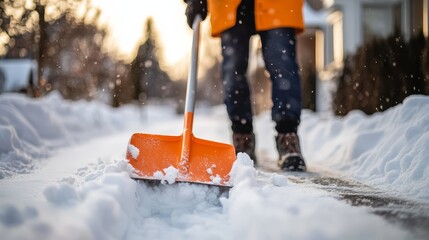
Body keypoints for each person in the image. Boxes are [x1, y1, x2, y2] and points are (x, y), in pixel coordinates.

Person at [184, 0, 306, 171]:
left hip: (280, 5)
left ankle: (288, 137)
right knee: (232, 72)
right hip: (228, 5)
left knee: (283, 68)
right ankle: (242, 137)